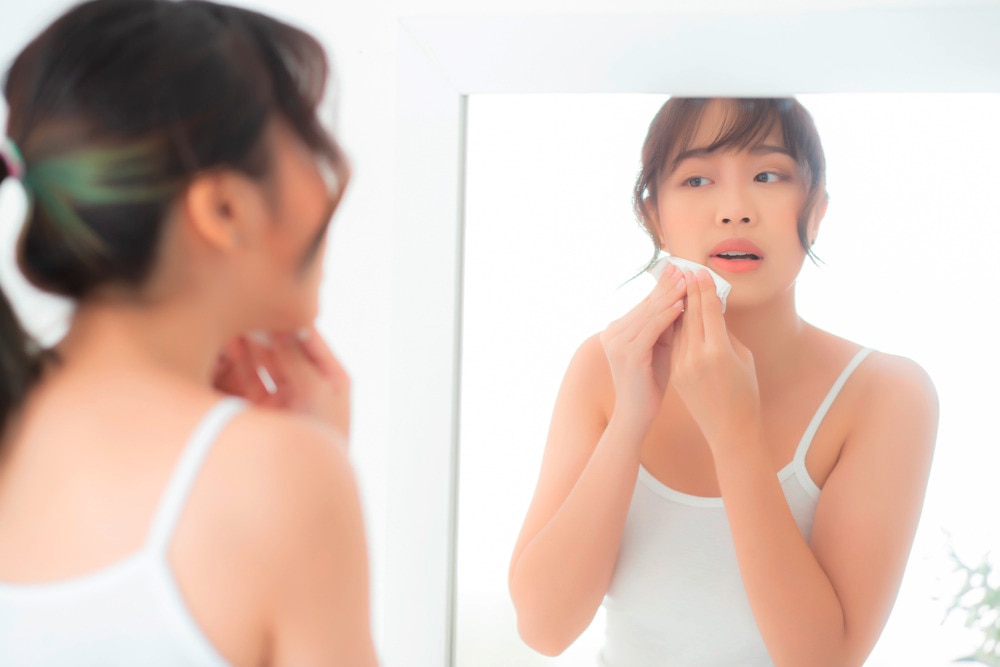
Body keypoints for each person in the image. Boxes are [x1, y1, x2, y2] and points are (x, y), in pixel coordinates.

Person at [0, 1, 377, 665]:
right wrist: (316, 459)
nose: (332, 173)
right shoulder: (281, 476)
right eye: (307, 136)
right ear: (224, 208)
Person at [508, 97, 938, 666]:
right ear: (653, 216)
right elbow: (545, 629)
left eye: (768, 175)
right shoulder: (606, 364)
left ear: (816, 210)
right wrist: (630, 420)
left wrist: (734, 433)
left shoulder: (885, 393)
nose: (734, 210)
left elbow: (824, 660)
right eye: (696, 179)